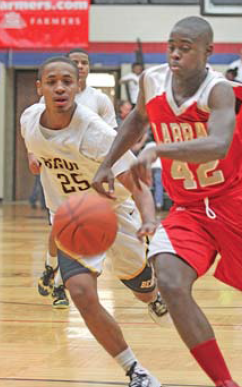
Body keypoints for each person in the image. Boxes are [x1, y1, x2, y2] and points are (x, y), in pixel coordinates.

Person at [92, 16, 242, 387]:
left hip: (234, 205)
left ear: (208, 52)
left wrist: (159, 148)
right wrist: (107, 163)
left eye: (185, 48)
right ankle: (225, 383)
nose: (175, 53)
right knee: (170, 282)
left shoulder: (217, 90)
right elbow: (137, 120)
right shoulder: (151, 80)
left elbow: (217, 144)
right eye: (171, 45)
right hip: (188, 210)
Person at [21, 56, 172, 387]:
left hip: (115, 212)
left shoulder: (97, 133)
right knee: (80, 291)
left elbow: (139, 185)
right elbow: (35, 145)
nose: (59, 87)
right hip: (73, 219)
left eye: (66, 82)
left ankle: (153, 294)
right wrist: (34, 157)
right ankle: (135, 370)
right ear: (40, 88)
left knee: (141, 288)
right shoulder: (29, 120)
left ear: (78, 87)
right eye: (51, 82)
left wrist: (149, 219)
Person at [37, 48, 118, 308]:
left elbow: (112, 137)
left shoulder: (100, 100)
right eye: (76, 62)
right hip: (59, 173)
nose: (80, 66)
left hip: (88, 177)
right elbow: (35, 130)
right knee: (58, 230)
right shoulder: (48, 99)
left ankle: (60, 285)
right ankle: (50, 267)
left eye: (84, 63)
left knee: (73, 232)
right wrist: (33, 154)